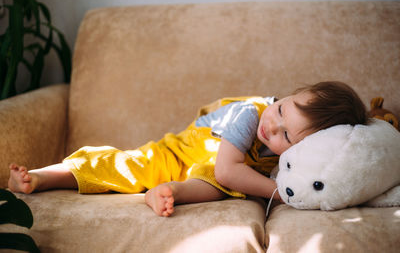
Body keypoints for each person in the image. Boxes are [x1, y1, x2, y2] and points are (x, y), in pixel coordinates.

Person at [8, 81, 368, 217]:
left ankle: (170, 194)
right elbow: (231, 170)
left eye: (286, 136)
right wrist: (282, 194)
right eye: (280, 110)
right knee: (126, 165)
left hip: (207, 175)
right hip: (180, 153)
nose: (271, 126)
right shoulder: (249, 114)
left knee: (218, 185)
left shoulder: (302, 152)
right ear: (285, 96)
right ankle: (43, 177)